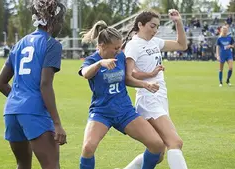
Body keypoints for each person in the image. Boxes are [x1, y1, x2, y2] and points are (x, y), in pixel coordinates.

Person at [78, 20, 166, 169]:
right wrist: (100, 63)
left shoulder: (120, 57)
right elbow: (85, 73)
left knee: (157, 145)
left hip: (124, 111)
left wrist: (146, 83)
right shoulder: (92, 60)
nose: (119, 51)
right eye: (115, 48)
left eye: (120, 47)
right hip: (101, 112)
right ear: (102, 46)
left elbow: (127, 78)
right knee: (88, 148)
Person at [0, 0, 67, 168]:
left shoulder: (19, 44)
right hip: (34, 113)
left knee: (23, 164)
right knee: (51, 166)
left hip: (11, 112)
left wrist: (19, 100)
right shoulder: (52, 44)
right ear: (52, 20)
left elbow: (0, 83)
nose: (61, 26)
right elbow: (45, 84)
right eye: (61, 20)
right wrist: (57, 123)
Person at [122, 9, 188, 169]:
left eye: (157, 27)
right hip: (148, 99)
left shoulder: (155, 42)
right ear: (140, 24)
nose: (155, 30)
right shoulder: (133, 45)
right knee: (175, 142)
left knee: (157, 154)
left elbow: (182, 45)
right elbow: (127, 76)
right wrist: (149, 75)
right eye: (152, 26)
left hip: (160, 98)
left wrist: (178, 22)